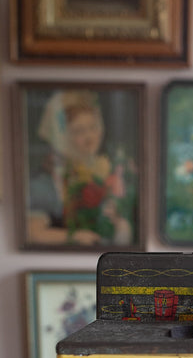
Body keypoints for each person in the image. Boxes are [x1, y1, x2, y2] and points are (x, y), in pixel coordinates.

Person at [28, 90, 134, 246]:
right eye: (79, 131)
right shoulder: (44, 182)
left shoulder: (111, 172)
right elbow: (33, 233)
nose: (90, 138)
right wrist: (75, 237)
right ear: (62, 137)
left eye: (93, 127)